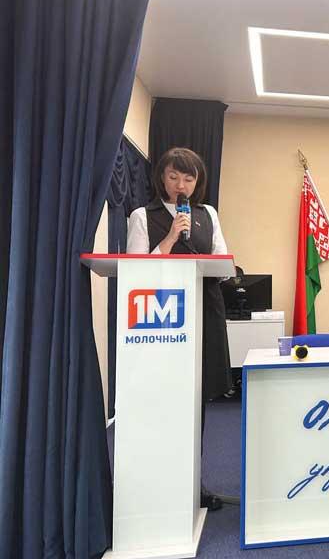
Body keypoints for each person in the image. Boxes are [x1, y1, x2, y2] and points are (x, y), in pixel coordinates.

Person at [127, 147, 231, 511]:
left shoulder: (207, 215)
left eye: (188, 178)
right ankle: (156, 483)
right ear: (162, 178)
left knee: (195, 402)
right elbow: (136, 273)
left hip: (203, 312)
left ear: (197, 182)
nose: (181, 185)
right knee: (161, 401)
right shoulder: (143, 216)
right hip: (161, 321)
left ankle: (192, 483)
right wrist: (171, 237)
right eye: (173, 176)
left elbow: (222, 263)